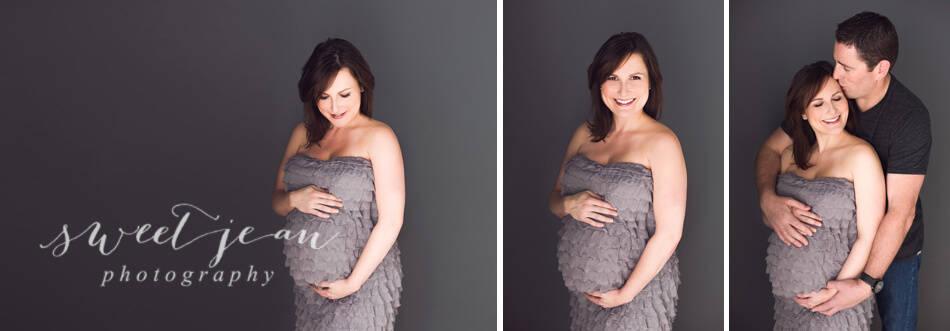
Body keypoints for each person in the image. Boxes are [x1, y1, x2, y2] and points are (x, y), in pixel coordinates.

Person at [755, 12, 931, 330]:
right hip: (829, 257)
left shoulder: (909, 118)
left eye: (846, 68)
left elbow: (900, 214)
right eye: (836, 61)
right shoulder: (831, 97)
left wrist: (864, 284)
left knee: (898, 325)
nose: (836, 74)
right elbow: (770, 149)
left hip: (894, 245)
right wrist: (767, 197)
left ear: (880, 69)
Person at [548, 32, 686, 330]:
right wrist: (570, 203)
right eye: (613, 77)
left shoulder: (663, 143)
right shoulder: (584, 134)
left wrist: (625, 294)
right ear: (600, 82)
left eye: (635, 77)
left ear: (651, 82)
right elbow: (555, 200)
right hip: (585, 296)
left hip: (636, 295)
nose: (623, 89)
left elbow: (670, 233)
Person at [270, 38, 404, 330]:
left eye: (344, 94)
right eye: (324, 96)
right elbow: (278, 201)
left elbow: (392, 221)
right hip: (310, 289)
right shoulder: (302, 134)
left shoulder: (379, 137)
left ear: (361, 86)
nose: (335, 107)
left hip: (361, 283)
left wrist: (352, 283)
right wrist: (296, 199)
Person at [766, 61, 884, 330]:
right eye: (818, 104)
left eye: (837, 98)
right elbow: (770, 215)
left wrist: (836, 292)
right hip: (787, 300)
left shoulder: (861, 156)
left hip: (835, 300)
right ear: (803, 112)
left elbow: (869, 235)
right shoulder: (789, 156)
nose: (831, 110)